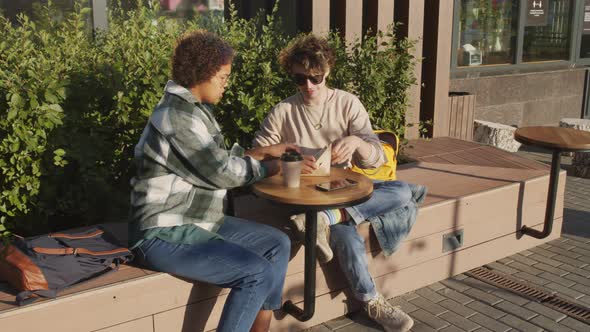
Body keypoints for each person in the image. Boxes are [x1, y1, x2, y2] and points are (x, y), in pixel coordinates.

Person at [253, 34, 425, 332]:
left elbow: (375, 161)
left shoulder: (347, 103)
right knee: (347, 238)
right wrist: (284, 159)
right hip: (304, 198)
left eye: (315, 78)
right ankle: (372, 301)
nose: (308, 86)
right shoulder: (283, 112)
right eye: (300, 78)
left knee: (402, 190)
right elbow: (257, 156)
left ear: (327, 71)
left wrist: (357, 142)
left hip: (342, 196)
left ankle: (326, 220)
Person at [129, 30, 298, 332]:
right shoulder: (176, 117)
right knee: (256, 272)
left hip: (196, 221)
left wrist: (262, 153)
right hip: (163, 232)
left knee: (277, 243)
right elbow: (221, 172)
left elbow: (212, 160)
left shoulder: (194, 111)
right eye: (223, 76)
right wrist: (274, 168)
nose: (226, 83)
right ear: (202, 74)